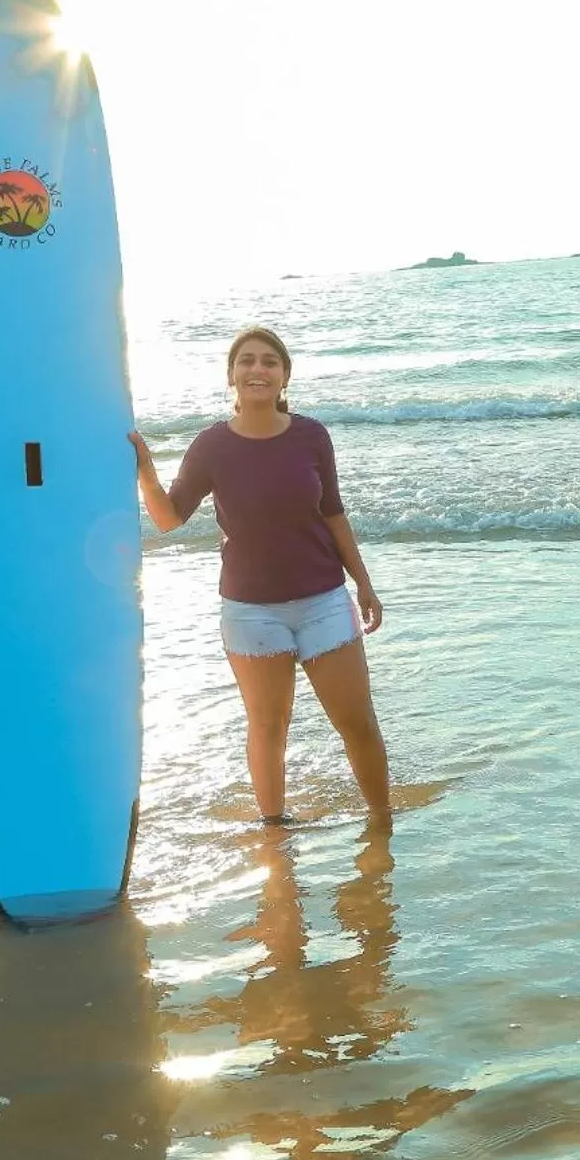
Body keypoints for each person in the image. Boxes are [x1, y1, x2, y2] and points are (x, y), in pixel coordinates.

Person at [130, 325, 392, 835]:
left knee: (357, 723)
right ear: (231, 376)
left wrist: (364, 582)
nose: (257, 369)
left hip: (324, 600)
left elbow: (334, 514)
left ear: (284, 375)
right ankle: (275, 836)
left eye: (269, 361)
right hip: (252, 611)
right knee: (269, 728)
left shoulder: (311, 435)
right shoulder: (211, 445)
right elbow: (169, 518)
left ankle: (381, 827)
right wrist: (145, 472)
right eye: (246, 361)